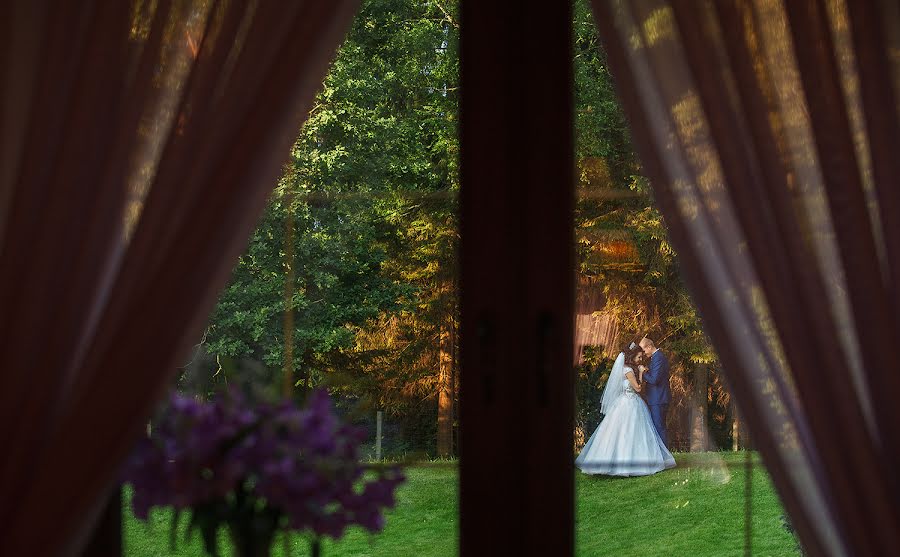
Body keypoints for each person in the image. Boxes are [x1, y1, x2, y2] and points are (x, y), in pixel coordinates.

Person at [575, 342, 675, 476]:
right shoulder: (628, 370)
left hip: (626, 402)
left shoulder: (625, 368)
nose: (641, 359)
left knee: (625, 432)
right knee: (629, 432)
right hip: (630, 403)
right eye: (639, 357)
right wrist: (640, 373)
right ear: (632, 357)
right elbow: (638, 388)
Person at [639, 336, 672, 448]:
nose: (643, 354)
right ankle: (661, 455)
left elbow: (654, 380)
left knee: (659, 427)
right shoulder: (656, 358)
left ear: (649, 347)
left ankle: (664, 457)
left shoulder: (658, 357)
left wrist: (643, 372)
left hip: (658, 398)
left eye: (643, 350)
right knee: (658, 426)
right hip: (657, 397)